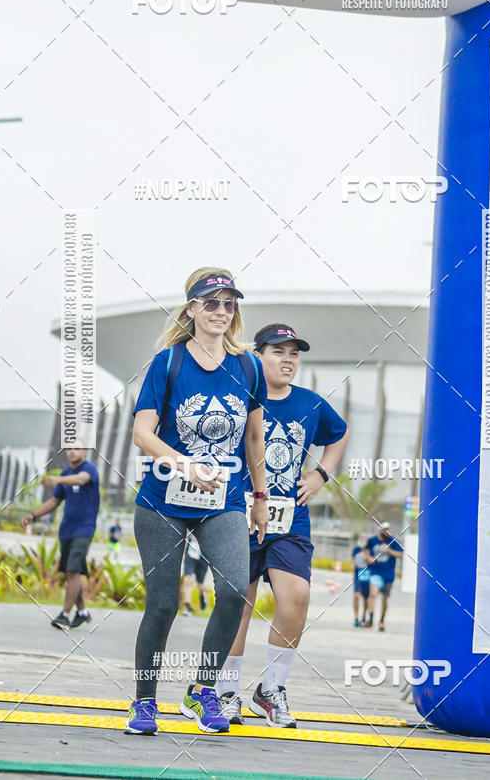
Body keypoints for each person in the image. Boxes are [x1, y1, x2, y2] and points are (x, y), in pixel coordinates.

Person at [126, 268, 268, 736]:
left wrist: (260, 497)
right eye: (211, 303)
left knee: (234, 591)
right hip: (162, 500)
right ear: (191, 309)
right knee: (163, 604)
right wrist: (185, 465)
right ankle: (144, 701)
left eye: (229, 304)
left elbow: (253, 438)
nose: (221, 311)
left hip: (223, 500)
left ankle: (202, 691)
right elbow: (142, 433)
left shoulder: (248, 366)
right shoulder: (167, 362)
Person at [217, 323, 349, 728]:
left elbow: (339, 434)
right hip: (238, 513)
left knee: (296, 597)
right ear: (257, 356)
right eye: (278, 351)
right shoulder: (237, 397)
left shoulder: (311, 403)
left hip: (290, 519)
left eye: (294, 353)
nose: (288, 359)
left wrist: (320, 474)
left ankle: (271, 689)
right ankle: (226, 691)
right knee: (238, 602)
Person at [21, 447, 100, 629]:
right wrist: (33, 516)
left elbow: (81, 479)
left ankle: (64, 616)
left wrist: (56, 479)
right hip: (66, 531)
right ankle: (83, 612)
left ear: (85, 452)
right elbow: (54, 501)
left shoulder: (89, 469)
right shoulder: (65, 473)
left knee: (73, 570)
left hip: (84, 529)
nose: (72, 451)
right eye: (69, 448)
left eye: (77, 448)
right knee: (71, 572)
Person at [362, 522, 403, 631]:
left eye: (388, 529)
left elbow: (401, 555)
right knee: (373, 594)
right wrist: (368, 558)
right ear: (379, 530)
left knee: (385, 598)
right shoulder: (372, 540)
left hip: (388, 574)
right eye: (384, 529)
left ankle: (382, 621)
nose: (387, 531)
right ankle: (370, 620)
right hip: (375, 572)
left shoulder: (393, 541)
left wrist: (389, 551)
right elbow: (365, 550)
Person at [181, 530, 208, 614]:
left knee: (200, 584)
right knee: (187, 578)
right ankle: (187, 606)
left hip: (203, 555)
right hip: (190, 552)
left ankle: (202, 596)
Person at [352, 532, 371, 627]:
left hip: (367, 575)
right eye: (361, 538)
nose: (362, 540)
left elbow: (372, 561)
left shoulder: (369, 550)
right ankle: (356, 618)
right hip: (358, 575)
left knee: (366, 598)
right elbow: (353, 561)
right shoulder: (356, 549)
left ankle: (363, 616)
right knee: (356, 596)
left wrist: (366, 556)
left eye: (364, 538)